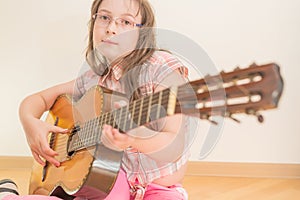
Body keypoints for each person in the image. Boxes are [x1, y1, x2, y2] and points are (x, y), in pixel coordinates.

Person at [0, 0, 191, 199]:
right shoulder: (93, 79)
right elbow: (37, 99)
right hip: (109, 183)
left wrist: (133, 138)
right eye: (104, 17)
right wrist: (30, 122)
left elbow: (172, 141)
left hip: (159, 188)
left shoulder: (161, 68)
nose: (111, 28)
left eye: (125, 22)